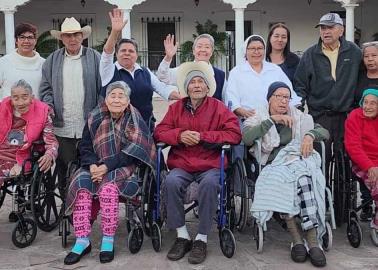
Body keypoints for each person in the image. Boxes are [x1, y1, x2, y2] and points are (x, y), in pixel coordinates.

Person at [154, 61, 241, 264]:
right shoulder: (176, 108)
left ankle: (201, 237)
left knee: (210, 184)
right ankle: (182, 235)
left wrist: (204, 137)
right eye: (192, 82)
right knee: (171, 182)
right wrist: (180, 135)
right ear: (186, 87)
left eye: (200, 82)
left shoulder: (218, 108)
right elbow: (160, 131)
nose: (196, 86)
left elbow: (234, 134)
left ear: (208, 87)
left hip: (210, 164)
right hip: (182, 163)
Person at [63, 81, 156, 265]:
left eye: (121, 96)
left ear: (127, 100)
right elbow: (85, 146)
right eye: (112, 95)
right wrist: (92, 166)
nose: (116, 99)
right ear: (106, 99)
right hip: (94, 166)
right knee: (82, 188)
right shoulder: (95, 116)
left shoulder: (134, 118)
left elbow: (134, 150)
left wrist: (106, 166)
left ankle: (108, 239)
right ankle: (82, 240)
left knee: (108, 189)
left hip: (123, 167)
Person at [244, 81, 329, 267]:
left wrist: (310, 135)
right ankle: (297, 238)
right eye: (278, 96)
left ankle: (313, 241)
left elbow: (324, 132)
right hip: (273, 164)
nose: (283, 101)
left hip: (297, 161)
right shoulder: (258, 116)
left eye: (286, 97)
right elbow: (246, 138)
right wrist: (272, 120)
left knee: (305, 178)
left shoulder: (299, 117)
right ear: (269, 99)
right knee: (284, 182)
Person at [294, 13, 362, 176]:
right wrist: (297, 108)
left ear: (341, 30)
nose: (326, 31)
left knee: (345, 160)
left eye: (330, 28)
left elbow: (362, 79)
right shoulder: (310, 54)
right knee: (320, 159)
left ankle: (343, 200)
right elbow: (300, 84)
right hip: (320, 115)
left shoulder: (354, 52)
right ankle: (322, 198)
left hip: (346, 114)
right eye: (323, 28)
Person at [39, 17, 102, 195]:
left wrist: (98, 114)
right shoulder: (52, 60)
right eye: (67, 36)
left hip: (88, 126)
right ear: (62, 38)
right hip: (63, 126)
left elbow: (102, 89)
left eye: (76, 35)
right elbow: (45, 88)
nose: (72, 39)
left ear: (82, 36)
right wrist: (49, 105)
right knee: (64, 170)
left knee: (87, 168)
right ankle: (67, 210)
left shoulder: (94, 57)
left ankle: (86, 207)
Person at [100, 9, 180, 130]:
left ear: (136, 55)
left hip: (145, 127)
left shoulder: (145, 71)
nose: (127, 53)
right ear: (116, 54)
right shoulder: (108, 71)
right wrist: (115, 32)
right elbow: (107, 53)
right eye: (123, 50)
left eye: (131, 51)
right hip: (116, 128)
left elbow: (162, 88)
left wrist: (184, 96)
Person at [225, 35, 300, 119]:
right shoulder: (236, 72)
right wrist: (241, 111)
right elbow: (231, 97)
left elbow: (289, 93)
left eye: (260, 48)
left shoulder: (275, 70)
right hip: (248, 120)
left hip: (276, 118)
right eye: (252, 48)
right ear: (245, 51)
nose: (256, 52)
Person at [0, 79, 58, 185]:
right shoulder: (3, 107)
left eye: (24, 97)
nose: (20, 102)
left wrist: (49, 154)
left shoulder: (43, 112)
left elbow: (51, 141)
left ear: (32, 97)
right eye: (15, 98)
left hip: (19, 157)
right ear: (11, 99)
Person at [345, 88, 378, 232]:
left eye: (373, 103)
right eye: (365, 102)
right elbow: (353, 146)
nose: (368, 107)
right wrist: (370, 166)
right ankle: (376, 224)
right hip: (363, 163)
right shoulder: (355, 116)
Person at [156, 33, 226, 101]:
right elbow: (162, 77)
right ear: (193, 51)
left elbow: (226, 101)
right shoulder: (183, 71)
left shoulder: (221, 76)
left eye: (207, 47)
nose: (203, 50)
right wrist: (168, 57)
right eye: (199, 46)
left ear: (211, 52)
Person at [355, 41, 378, 221]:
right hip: (361, 127)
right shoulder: (358, 76)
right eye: (366, 56)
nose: (370, 59)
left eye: (374, 55)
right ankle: (367, 203)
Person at [0, 23, 45, 99]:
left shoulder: (44, 64)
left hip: (37, 110)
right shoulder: (3, 62)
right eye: (22, 37)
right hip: (9, 110)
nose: (26, 41)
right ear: (16, 40)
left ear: (35, 41)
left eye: (30, 37)